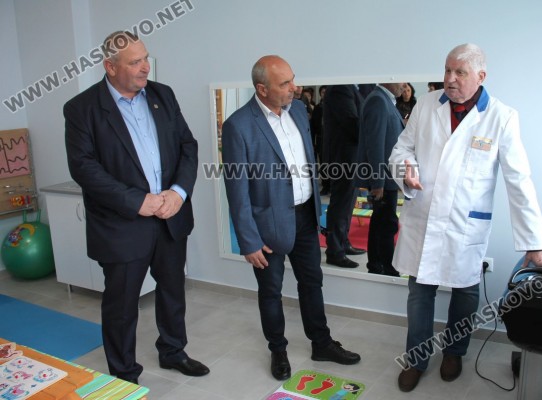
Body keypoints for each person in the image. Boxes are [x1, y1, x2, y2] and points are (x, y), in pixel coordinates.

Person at [389, 43, 542, 392]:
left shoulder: (501, 117)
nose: (450, 79)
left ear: (481, 76)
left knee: (465, 292)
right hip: (424, 217)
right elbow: (402, 148)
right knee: (419, 292)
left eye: (460, 72)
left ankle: (454, 352)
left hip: (465, 224)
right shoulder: (427, 105)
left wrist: (535, 245)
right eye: (447, 70)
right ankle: (416, 358)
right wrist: (405, 168)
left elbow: (519, 180)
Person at [63, 31, 208, 384]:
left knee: (172, 292)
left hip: (170, 216)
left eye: (146, 59)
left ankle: (173, 351)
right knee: (122, 305)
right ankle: (124, 373)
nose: (145, 68)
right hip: (122, 225)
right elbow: (83, 168)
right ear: (110, 67)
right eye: (135, 62)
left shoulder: (162, 95)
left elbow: (187, 146)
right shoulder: (82, 108)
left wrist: (178, 193)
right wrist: (136, 201)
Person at [221, 55, 361, 381]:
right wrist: (248, 240)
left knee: (312, 282)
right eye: (285, 84)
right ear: (262, 89)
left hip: (305, 217)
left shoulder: (298, 110)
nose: (294, 88)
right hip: (267, 226)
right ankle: (278, 350)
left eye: (292, 79)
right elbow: (236, 190)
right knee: (271, 291)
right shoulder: (238, 126)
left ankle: (321, 343)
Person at [355, 83, 406, 276]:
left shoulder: (385, 100)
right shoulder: (378, 100)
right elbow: (374, 144)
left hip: (387, 177)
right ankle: (385, 266)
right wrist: (378, 182)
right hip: (383, 179)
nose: (404, 85)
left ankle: (377, 265)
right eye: (401, 80)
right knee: (385, 224)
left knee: (382, 223)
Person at [323, 84, 367, 268]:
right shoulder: (340, 88)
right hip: (343, 158)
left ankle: (342, 242)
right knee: (341, 204)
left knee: (348, 204)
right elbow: (351, 123)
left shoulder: (352, 88)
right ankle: (335, 250)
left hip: (350, 157)